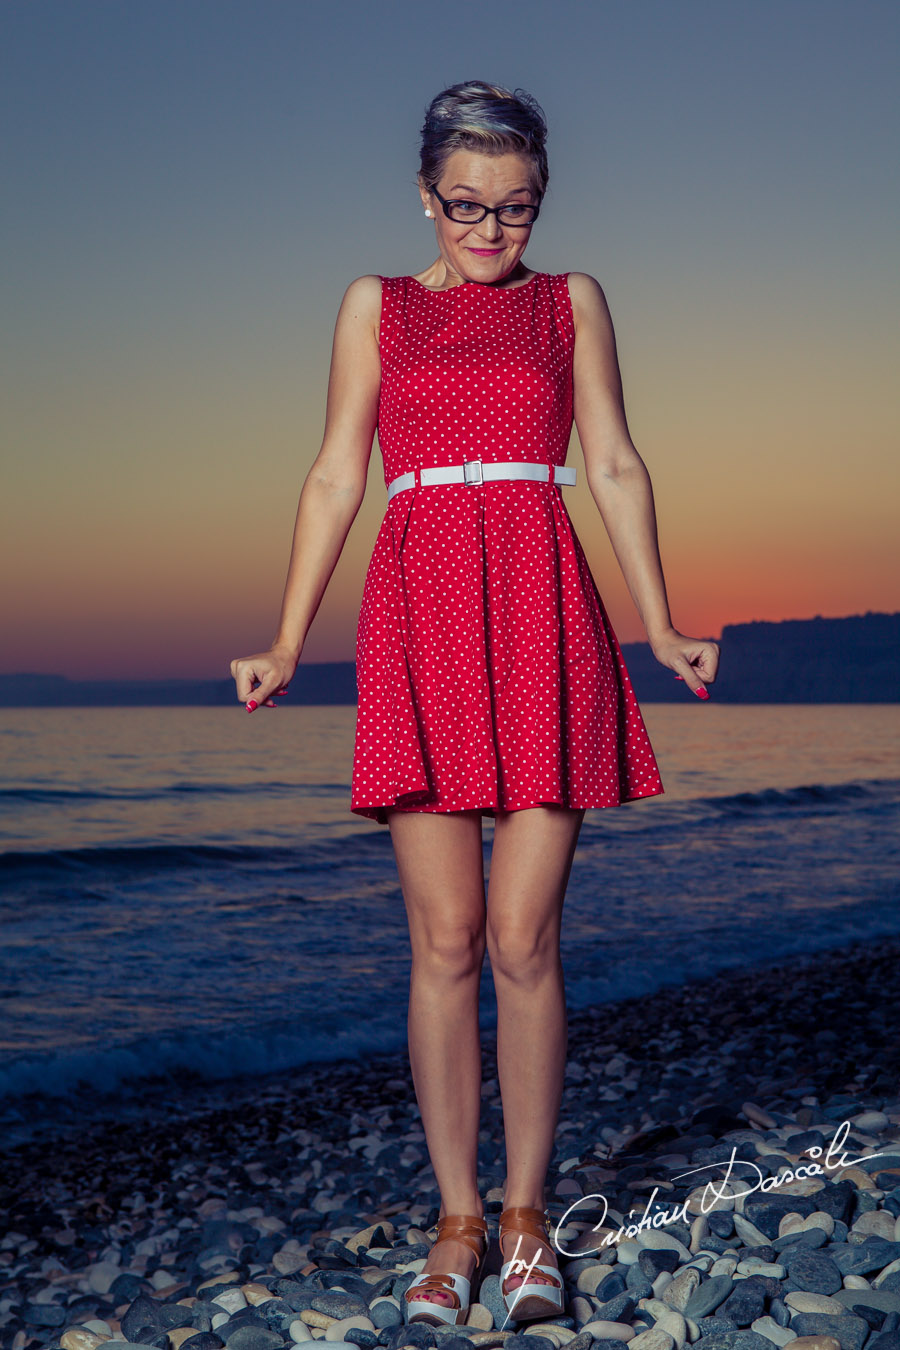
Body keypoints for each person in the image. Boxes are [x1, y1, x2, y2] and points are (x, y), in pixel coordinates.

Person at [231, 79, 719, 1329]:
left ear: (540, 200)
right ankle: (454, 1221)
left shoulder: (572, 303)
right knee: (443, 942)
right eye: (466, 204)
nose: (490, 230)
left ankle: (524, 1220)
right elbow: (339, 470)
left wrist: (659, 619)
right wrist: (285, 639)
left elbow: (611, 458)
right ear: (424, 194)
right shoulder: (374, 307)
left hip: (545, 608)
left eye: (516, 207)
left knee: (522, 940)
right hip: (420, 612)